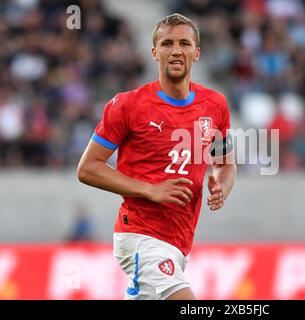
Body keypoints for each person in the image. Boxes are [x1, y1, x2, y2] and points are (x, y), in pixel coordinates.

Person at [77, 13, 237, 300]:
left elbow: (225, 165)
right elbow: (88, 168)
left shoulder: (215, 105)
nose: (176, 50)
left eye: (184, 43)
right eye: (167, 43)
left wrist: (220, 188)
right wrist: (150, 190)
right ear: (154, 52)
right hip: (139, 235)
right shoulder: (127, 105)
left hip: (178, 242)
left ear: (196, 53)